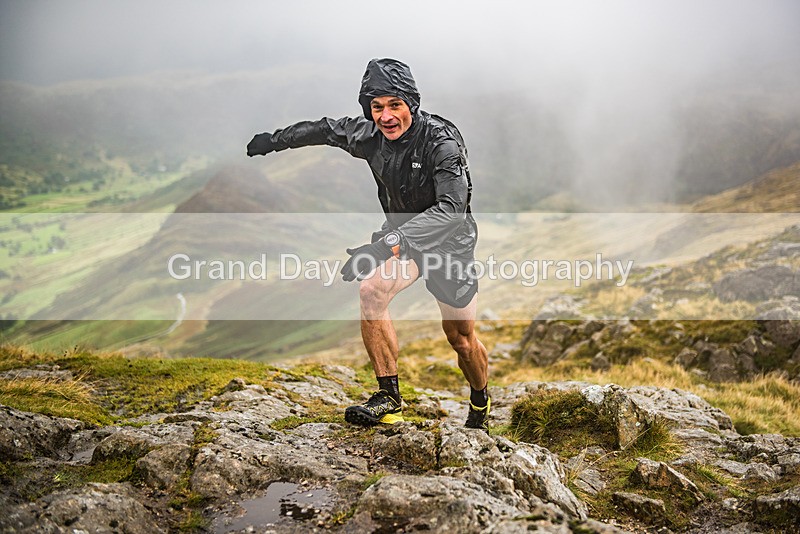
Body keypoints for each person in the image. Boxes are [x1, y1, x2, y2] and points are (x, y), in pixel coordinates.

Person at [247, 58, 490, 430]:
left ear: (412, 104)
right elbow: (323, 130)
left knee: (461, 339)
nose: (386, 116)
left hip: (449, 244)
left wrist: (387, 243)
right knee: (371, 290)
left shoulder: (441, 143)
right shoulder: (369, 136)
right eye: (377, 107)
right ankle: (389, 399)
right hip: (404, 239)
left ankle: (480, 400)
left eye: (395, 105)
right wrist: (273, 141)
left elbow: (451, 208)